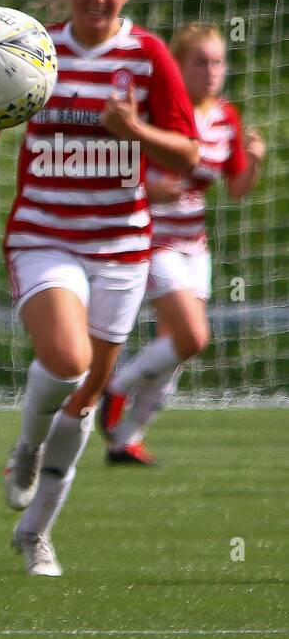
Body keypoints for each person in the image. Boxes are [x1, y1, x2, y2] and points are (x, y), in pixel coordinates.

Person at [0, 0, 198, 576]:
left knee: (87, 397)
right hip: (45, 235)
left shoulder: (147, 56)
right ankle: (27, 446)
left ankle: (35, 535)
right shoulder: (38, 48)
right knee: (66, 363)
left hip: (122, 247)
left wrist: (137, 131)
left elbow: (188, 154)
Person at [99, 24, 264, 463]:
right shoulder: (155, 113)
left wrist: (256, 162)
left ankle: (124, 440)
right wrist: (149, 191)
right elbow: (111, 168)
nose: (211, 71)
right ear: (178, 65)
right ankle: (116, 387)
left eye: (217, 62)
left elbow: (238, 188)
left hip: (195, 247)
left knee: (176, 350)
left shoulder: (226, 118)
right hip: (152, 240)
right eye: (200, 62)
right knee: (192, 337)